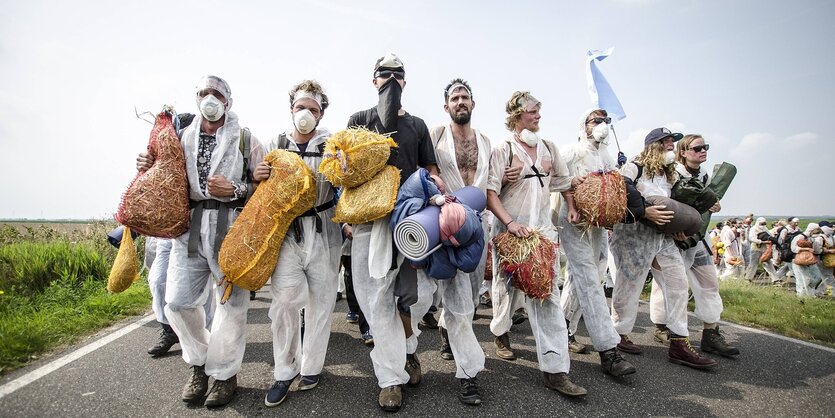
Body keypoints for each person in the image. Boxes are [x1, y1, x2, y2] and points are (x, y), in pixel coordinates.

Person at [136, 75, 266, 407]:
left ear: (228, 101)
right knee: (177, 303)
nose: (211, 98)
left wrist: (235, 190)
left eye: (217, 93)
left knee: (231, 307)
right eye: (204, 93)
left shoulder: (247, 140)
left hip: (231, 230)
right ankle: (201, 362)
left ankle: (224, 376)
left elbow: (264, 190)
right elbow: (164, 175)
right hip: (189, 229)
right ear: (196, 99)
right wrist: (147, 165)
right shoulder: (182, 137)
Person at [346, 52, 439, 412]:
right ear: (374, 80)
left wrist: (439, 201)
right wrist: (348, 216)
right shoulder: (360, 120)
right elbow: (345, 167)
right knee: (375, 298)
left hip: (411, 219)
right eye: (384, 73)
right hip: (371, 221)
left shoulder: (417, 124)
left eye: (398, 73)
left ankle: (408, 350)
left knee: (418, 297)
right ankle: (390, 378)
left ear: (405, 80)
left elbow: (429, 168)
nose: (391, 78)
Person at [487, 91, 587, 397]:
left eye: (539, 111)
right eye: (533, 112)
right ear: (518, 115)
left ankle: (556, 370)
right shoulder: (503, 149)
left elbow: (564, 181)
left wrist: (570, 205)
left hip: (542, 234)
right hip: (510, 233)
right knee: (506, 291)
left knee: (548, 297)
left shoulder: (549, 147)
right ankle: (501, 333)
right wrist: (510, 223)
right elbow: (490, 193)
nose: (538, 116)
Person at [255, 80, 342, 407]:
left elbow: (345, 186)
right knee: (285, 302)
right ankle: (283, 370)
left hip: (324, 229)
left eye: (313, 109)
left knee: (322, 303)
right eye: (300, 107)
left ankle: (312, 367)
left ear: (321, 114)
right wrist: (258, 175)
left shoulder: (334, 145)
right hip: (287, 232)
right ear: (291, 109)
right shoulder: (274, 144)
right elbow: (258, 189)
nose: (306, 114)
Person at [609, 127, 717, 370]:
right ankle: (618, 334)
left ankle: (679, 341)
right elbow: (618, 196)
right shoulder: (633, 168)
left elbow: (676, 206)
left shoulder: (670, 176)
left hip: (663, 238)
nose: (671, 145)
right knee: (629, 286)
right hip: (633, 236)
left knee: (678, 283)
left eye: (672, 142)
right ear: (652, 146)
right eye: (666, 141)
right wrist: (645, 211)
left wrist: (679, 226)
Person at [555, 108, 636, 376]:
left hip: (597, 224)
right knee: (589, 279)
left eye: (605, 121)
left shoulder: (607, 156)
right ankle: (608, 350)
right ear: (584, 125)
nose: (601, 124)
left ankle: (564, 328)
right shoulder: (570, 152)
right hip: (573, 221)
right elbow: (558, 182)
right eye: (596, 120)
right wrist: (570, 204)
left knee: (589, 275)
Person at [648, 134, 739, 357]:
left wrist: (712, 204)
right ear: (683, 152)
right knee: (666, 284)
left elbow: (703, 205)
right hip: (673, 238)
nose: (703, 151)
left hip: (699, 239)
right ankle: (662, 326)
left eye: (705, 147)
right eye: (697, 148)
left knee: (709, 282)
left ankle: (711, 333)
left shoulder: (706, 175)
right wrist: (675, 226)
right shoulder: (672, 173)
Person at [427, 78, 489, 405]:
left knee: (474, 292)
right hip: (449, 221)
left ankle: (444, 326)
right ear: (447, 105)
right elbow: (426, 171)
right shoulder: (436, 136)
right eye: (455, 97)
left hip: (481, 224)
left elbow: (490, 186)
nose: (460, 101)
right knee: (457, 296)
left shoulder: (487, 141)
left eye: (465, 96)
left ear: (473, 104)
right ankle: (468, 374)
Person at [790, 223, 827, 297]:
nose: (817, 233)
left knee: (817, 278)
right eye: (816, 231)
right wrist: (806, 249)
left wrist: (822, 249)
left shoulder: (811, 238)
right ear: (811, 230)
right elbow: (793, 249)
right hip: (799, 260)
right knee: (802, 279)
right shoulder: (799, 237)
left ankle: (809, 293)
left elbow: (816, 250)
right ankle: (803, 296)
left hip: (810, 260)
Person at [746, 217, 780, 283]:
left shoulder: (765, 228)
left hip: (764, 248)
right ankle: (748, 278)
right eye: (762, 223)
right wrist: (762, 241)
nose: (763, 225)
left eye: (764, 223)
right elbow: (751, 238)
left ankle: (775, 279)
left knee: (768, 263)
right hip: (756, 248)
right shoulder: (754, 229)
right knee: (753, 264)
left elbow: (769, 235)